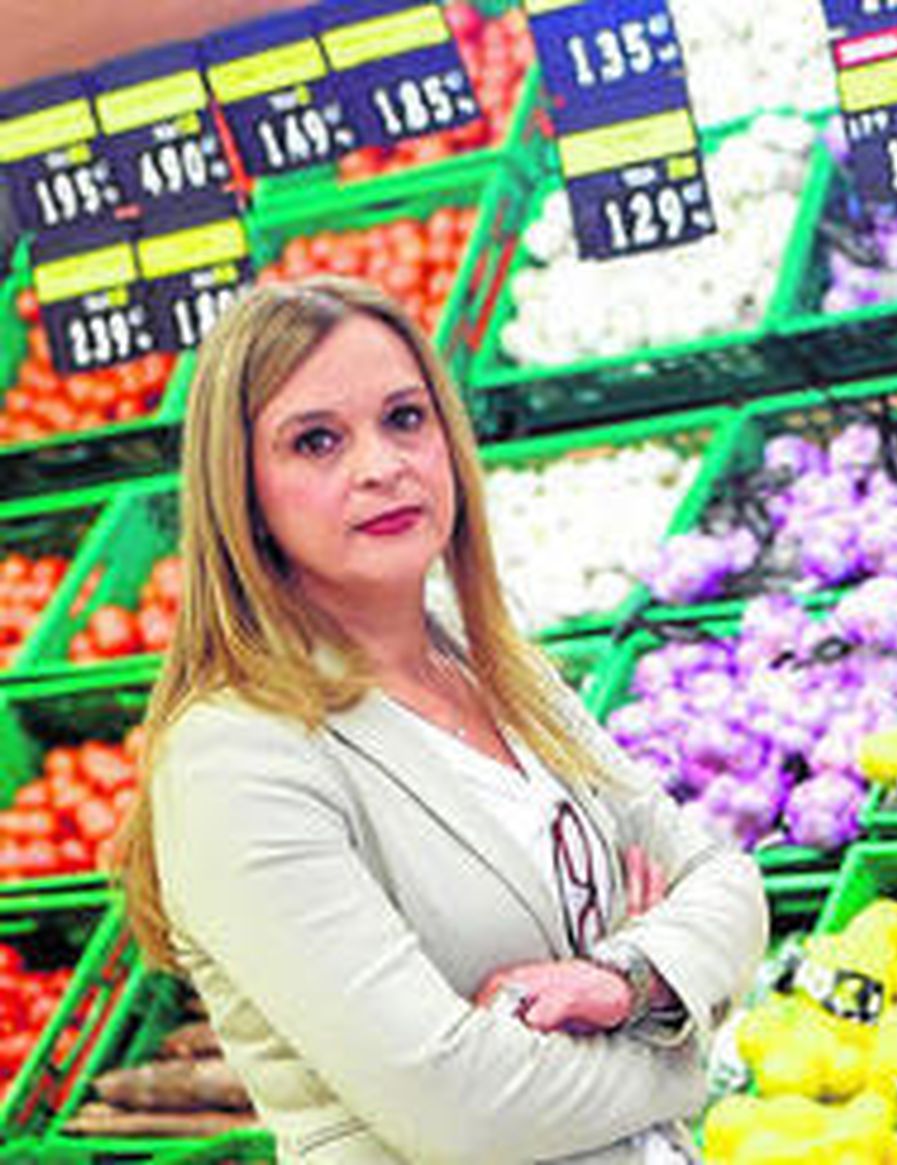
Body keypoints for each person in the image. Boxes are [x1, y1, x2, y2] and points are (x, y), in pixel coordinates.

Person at [114, 275, 767, 1163]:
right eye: (315, 441)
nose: (382, 465)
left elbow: (724, 878)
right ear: (242, 493)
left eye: (406, 419)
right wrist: (684, 1044)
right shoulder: (235, 757)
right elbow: (462, 1112)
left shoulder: (490, 661)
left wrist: (627, 979)